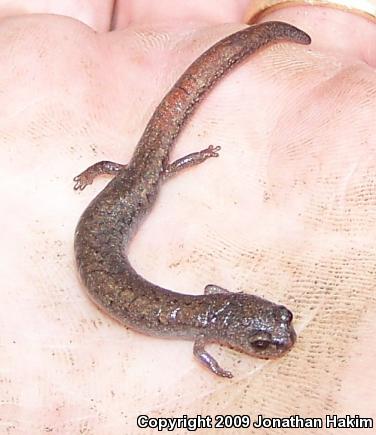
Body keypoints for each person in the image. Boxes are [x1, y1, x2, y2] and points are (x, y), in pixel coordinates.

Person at [1, 0, 375, 432]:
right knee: (148, 178)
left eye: (267, 335)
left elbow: (213, 299)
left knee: (148, 175)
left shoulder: (213, 307)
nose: (278, 341)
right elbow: (204, 348)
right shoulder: (206, 327)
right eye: (262, 341)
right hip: (116, 215)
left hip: (109, 221)